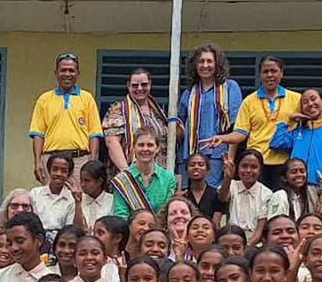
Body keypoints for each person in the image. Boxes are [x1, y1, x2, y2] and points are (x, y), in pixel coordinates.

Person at [173, 42, 241, 192]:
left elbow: (236, 126)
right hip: (189, 155)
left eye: (209, 61)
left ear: (217, 64)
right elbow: (181, 128)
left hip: (216, 155)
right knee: (188, 197)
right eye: (201, 61)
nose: (205, 65)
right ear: (195, 65)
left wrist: (230, 157)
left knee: (211, 196)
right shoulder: (188, 93)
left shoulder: (230, 87)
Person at [28, 52, 102, 180]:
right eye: (63, 70)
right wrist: (38, 161)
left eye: (71, 70)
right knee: (51, 199)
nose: (67, 74)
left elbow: (94, 134)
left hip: (80, 161)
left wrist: (92, 162)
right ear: (56, 73)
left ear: (78, 73)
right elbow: (38, 134)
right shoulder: (44, 99)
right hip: (51, 160)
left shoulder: (87, 98)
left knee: (79, 198)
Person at [234, 55, 301, 180]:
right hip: (256, 164)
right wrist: (223, 139)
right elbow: (240, 133)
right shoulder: (249, 101)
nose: (270, 75)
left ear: (281, 73)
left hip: (286, 163)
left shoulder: (297, 99)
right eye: (265, 72)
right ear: (260, 75)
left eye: (274, 71)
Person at [268, 88, 322, 187]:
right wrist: (290, 121)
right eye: (305, 102)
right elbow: (275, 143)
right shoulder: (298, 132)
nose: (310, 104)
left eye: (313, 99)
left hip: (321, 186)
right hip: (296, 187)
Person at [101, 66, 169, 172]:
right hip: (130, 172)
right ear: (128, 86)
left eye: (144, 84)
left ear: (150, 84)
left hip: (158, 174)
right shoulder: (118, 109)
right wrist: (126, 173)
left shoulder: (158, 111)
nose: (140, 88)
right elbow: (112, 142)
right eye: (135, 85)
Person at [113, 128, 177, 219]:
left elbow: (166, 214)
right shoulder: (121, 180)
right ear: (133, 148)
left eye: (150, 145)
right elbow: (121, 215)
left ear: (157, 148)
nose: (145, 149)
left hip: (159, 231)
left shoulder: (168, 178)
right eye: (141, 145)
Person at [30, 150, 80, 233]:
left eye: (63, 171)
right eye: (55, 169)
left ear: (69, 174)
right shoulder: (35, 193)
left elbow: (71, 229)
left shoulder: (72, 198)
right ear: (49, 171)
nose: (58, 174)